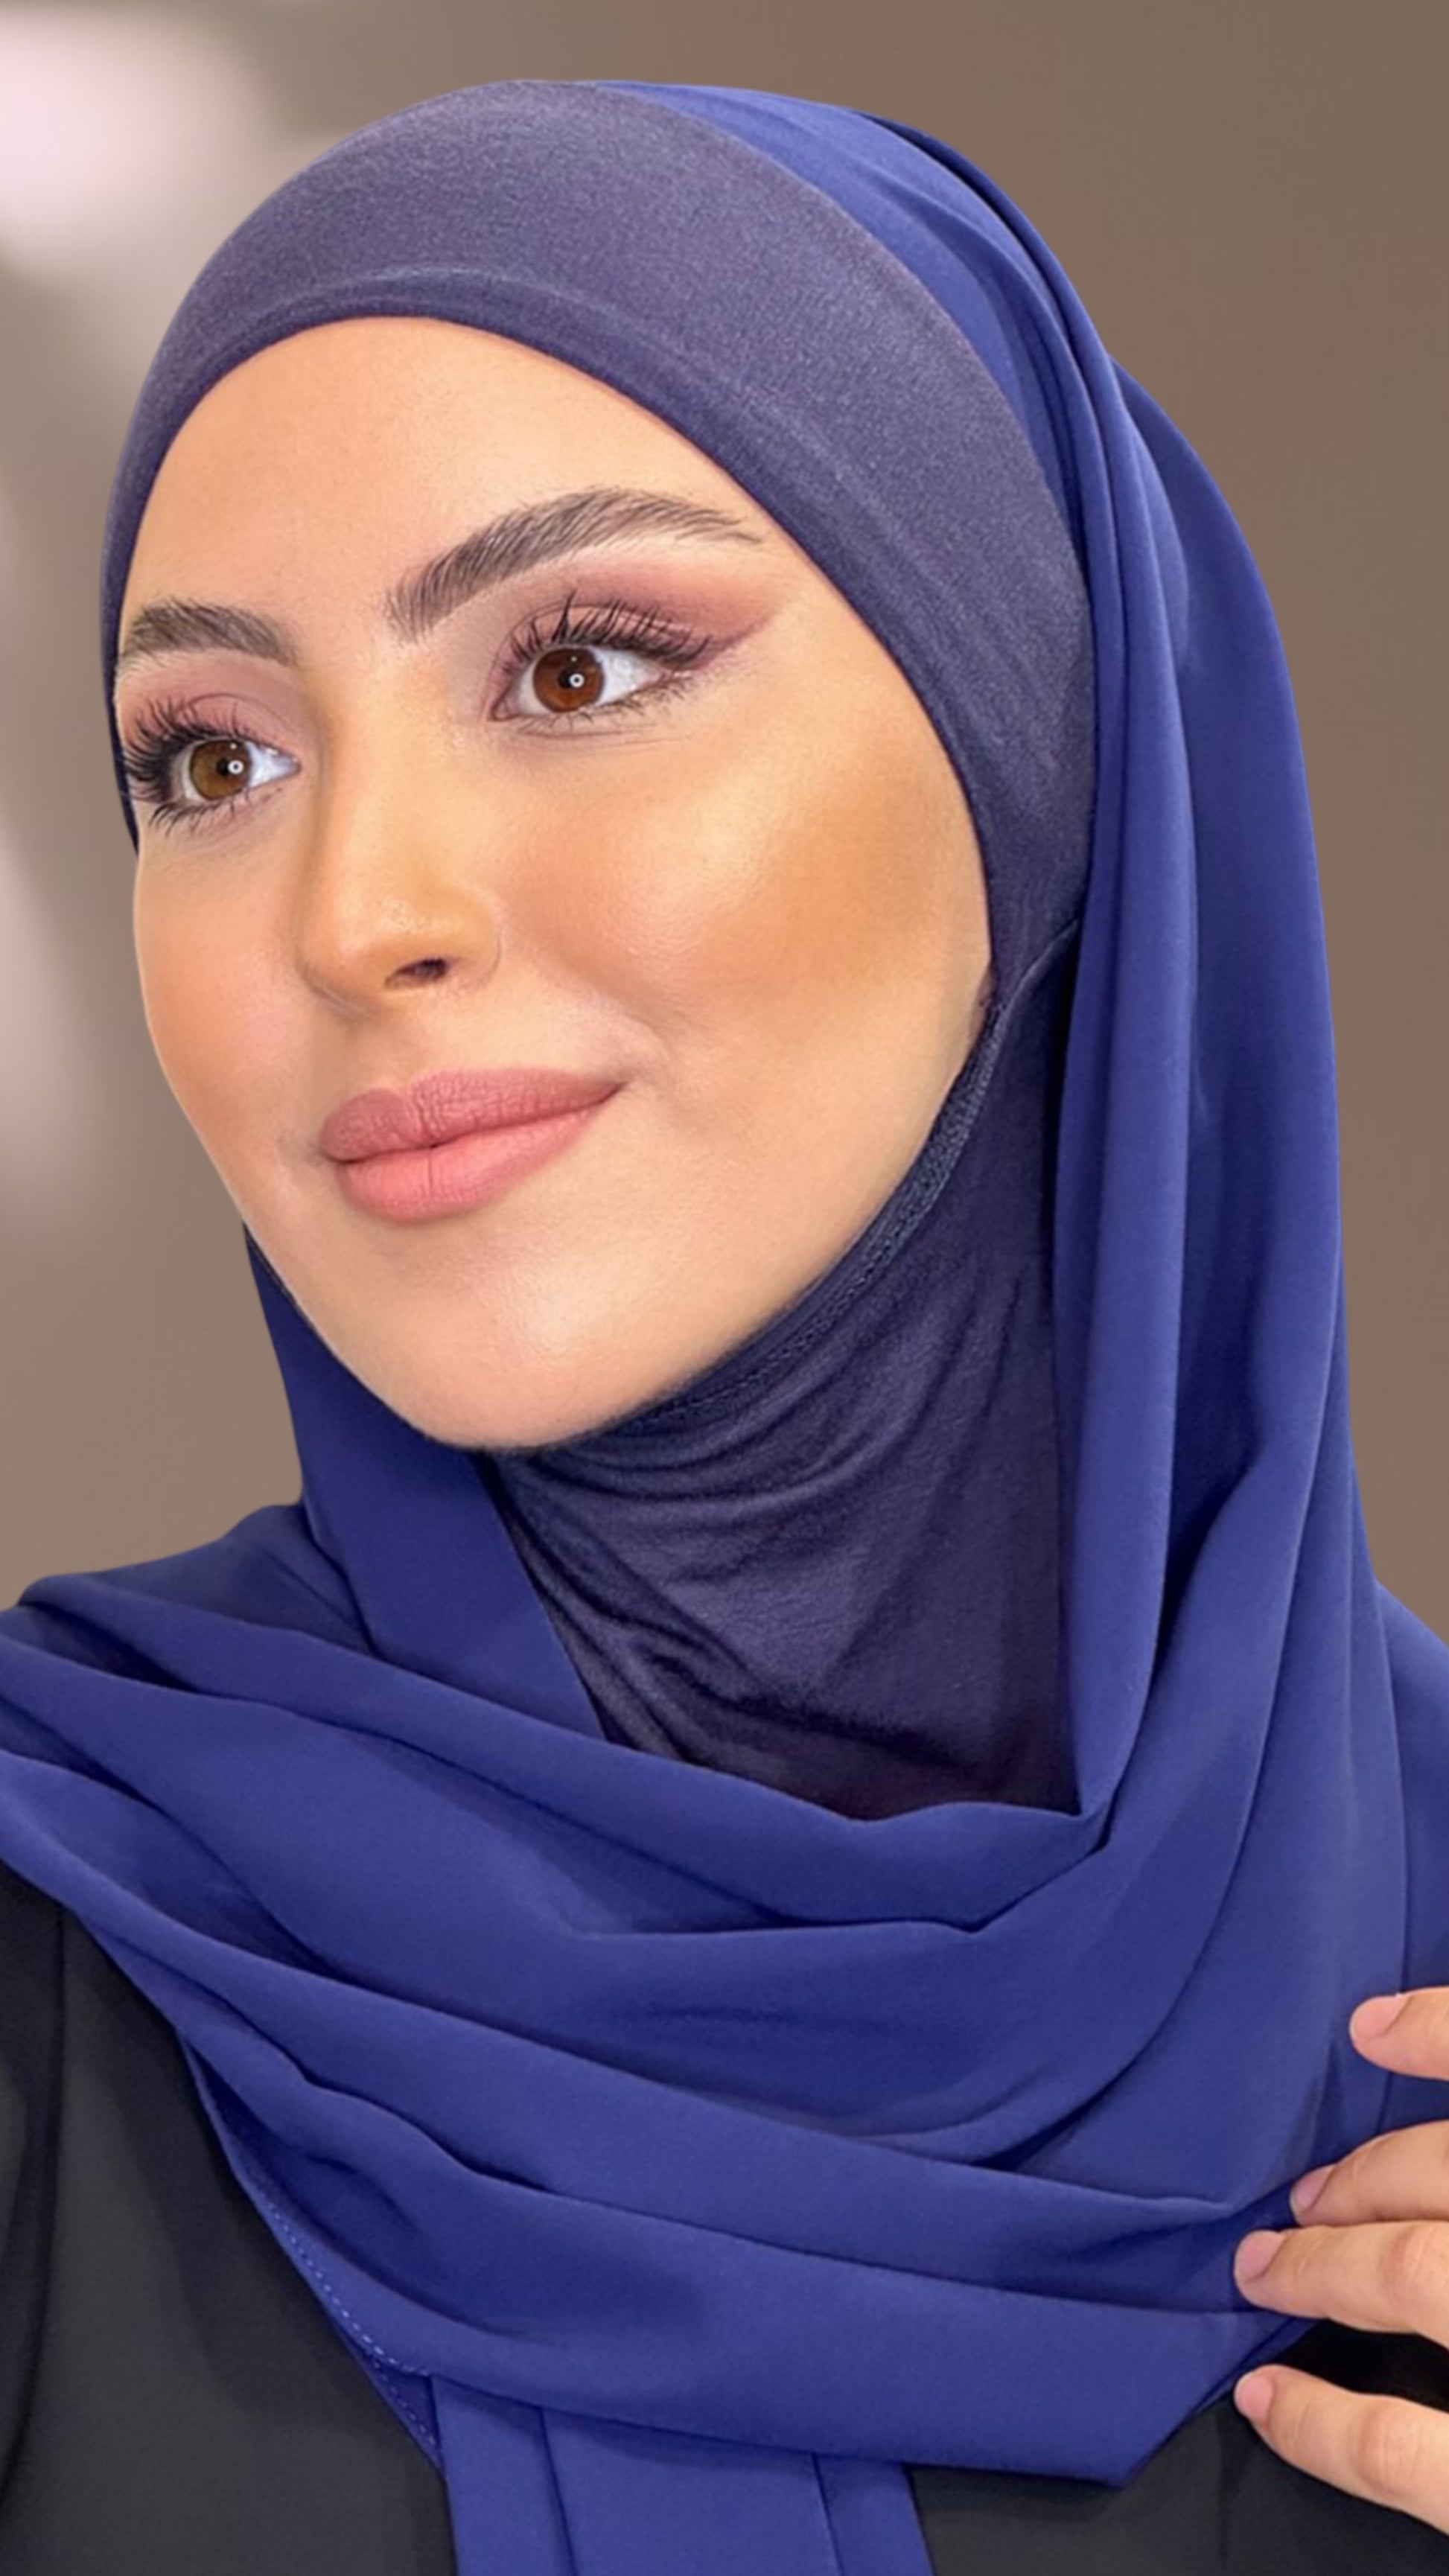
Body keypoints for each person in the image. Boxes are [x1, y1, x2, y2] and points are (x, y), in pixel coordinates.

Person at [2, 73, 1448, 2576]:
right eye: (214, 755)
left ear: (1043, 760)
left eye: (575, 667)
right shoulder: (64, 1941)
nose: (354, 912)